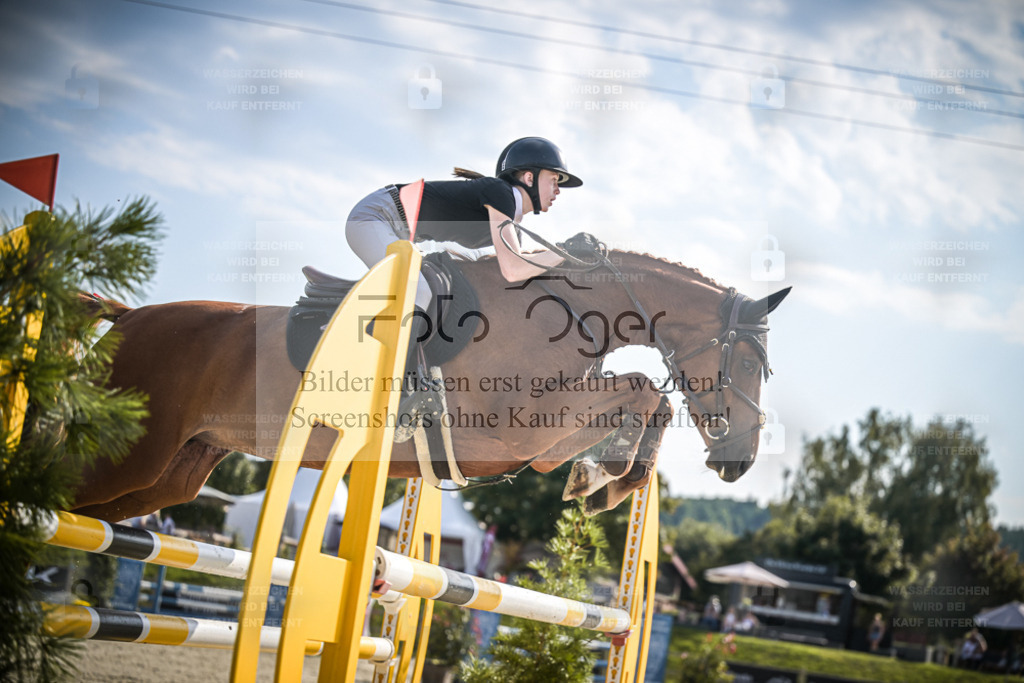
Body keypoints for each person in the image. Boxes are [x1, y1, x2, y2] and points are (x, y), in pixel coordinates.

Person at [344, 137, 582, 395]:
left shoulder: (509, 216)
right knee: (419, 291)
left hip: (398, 231)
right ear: (528, 177)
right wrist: (566, 253)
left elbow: (523, 267)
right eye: (554, 180)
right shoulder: (500, 193)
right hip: (375, 217)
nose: (558, 190)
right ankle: (395, 383)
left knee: (430, 289)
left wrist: (568, 257)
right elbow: (514, 268)